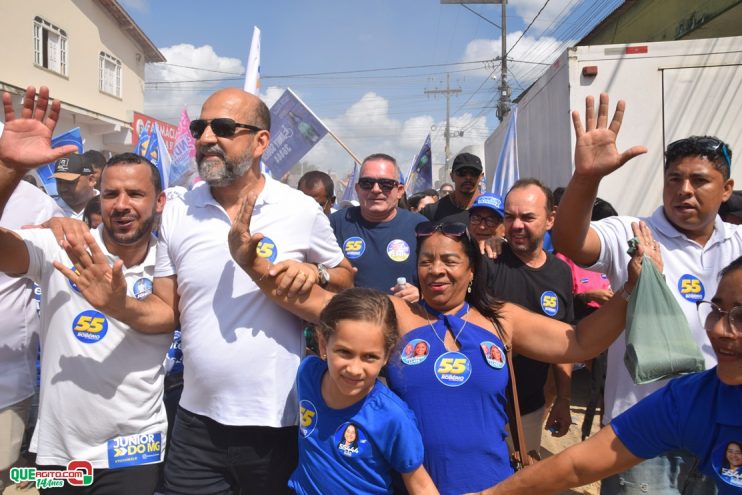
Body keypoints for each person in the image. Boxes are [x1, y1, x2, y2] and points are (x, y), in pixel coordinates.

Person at [227, 190, 661, 495]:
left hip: (494, 484)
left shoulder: (500, 319)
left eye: (450, 261)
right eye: (427, 261)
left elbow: (578, 342)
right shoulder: (394, 314)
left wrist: (630, 291)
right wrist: (253, 265)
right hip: (413, 485)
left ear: (472, 269)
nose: (436, 270)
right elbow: (316, 301)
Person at [56, 87, 353, 495]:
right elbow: (166, 308)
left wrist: (314, 271)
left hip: (277, 422)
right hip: (196, 425)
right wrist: (118, 305)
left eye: (224, 127)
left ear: (261, 140)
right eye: (201, 127)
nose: (207, 137)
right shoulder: (179, 209)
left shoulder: (299, 208)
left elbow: (344, 279)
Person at [552, 93, 742, 494]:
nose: (684, 190)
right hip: (640, 434)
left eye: (699, 181)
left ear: (726, 189)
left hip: (723, 431)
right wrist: (587, 177)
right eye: (674, 179)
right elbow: (570, 241)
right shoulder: (631, 232)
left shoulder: (740, 243)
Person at [0, 86, 172, 494]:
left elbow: (168, 313)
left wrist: (118, 304)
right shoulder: (62, 243)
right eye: (111, 193)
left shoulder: (170, 256)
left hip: (136, 451)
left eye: (135, 193)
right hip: (60, 451)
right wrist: (8, 169)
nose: (121, 203)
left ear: (159, 201)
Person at [470, 256, 742, 495]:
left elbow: (578, 341)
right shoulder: (693, 399)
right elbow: (578, 466)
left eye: (739, 316)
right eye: (716, 310)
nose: (719, 329)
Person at [289, 288, 438, 494]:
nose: (355, 369)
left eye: (369, 357)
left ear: (387, 355)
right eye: (344, 352)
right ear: (323, 344)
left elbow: (419, 483)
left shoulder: (393, 416)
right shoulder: (307, 374)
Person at [485, 179, 575, 459]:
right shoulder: (488, 261)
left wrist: (563, 399)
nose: (516, 225)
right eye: (509, 217)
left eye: (527, 217)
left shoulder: (560, 271)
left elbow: (565, 342)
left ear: (550, 219)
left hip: (530, 409)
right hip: (483, 410)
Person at [0, 170, 63, 493]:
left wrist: (60, 226)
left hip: (5, 384)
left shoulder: (34, 201)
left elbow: (63, 250)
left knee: (4, 473)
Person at [330, 153, 426, 302]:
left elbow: (440, 277)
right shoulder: (334, 224)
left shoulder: (421, 227)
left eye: (385, 184)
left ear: (400, 190)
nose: (375, 189)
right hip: (351, 320)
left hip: (406, 321)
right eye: (367, 183)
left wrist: (422, 294)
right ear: (357, 188)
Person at [421, 153, 483, 223]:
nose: (468, 177)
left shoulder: (491, 210)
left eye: (474, 173)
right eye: (462, 173)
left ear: (481, 176)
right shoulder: (432, 211)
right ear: (452, 176)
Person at [52, 153, 98, 219]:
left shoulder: (106, 207)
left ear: (91, 180)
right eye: (59, 181)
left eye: (69, 182)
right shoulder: (48, 208)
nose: (63, 188)